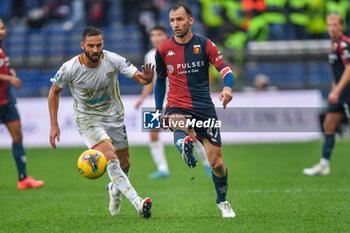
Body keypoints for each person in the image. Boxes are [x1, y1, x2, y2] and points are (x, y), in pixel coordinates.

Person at [48, 26, 153, 218]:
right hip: (88, 120)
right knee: (111, 158)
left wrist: (146, 79)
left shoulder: (113, 59)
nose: (95, 50)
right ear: (82, 46)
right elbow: (54, 91)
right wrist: (54, 124)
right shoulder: (70, 67)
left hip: (114, 117)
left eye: (99, 45)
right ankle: (138, 203)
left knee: (125, 163)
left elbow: (140, 77)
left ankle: (114, 190)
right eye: (90, 46)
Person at [154, 3, 236, 218]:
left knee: (217, 164)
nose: (175, 24)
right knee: (176, 120)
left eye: (180, 19)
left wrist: (227, 87)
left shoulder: (205, 44)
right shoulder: (163, 50)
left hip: (204, 108)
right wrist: (157, 110)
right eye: (172, 20)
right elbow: (160, 82)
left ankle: (222, 201)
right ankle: (183, 144)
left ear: (191, 20)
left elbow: (226, 70)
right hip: (176, 103)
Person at [135, 25, 212, 179]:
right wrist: (143, 97)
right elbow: (151, 80)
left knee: (192, 134)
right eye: (153, 35)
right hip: (157, 101)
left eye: (159, 34)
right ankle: (163, 169)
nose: (156, 38)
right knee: (153, 133)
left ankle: (208, 166)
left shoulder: (174, 50)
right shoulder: (149, 55)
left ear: (165, 36)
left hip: (178, 101)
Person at [0, 19, 44, 190]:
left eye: (3, 28)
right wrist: (10, 78)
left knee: (17, 137)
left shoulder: (2, 48)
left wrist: (9, 72)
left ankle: (23, 178)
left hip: (7, 100)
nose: (1, 31)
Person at [303, 14, 350, 176]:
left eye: (335, 25)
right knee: (329, 125)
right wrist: (335, 87)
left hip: (347, 93)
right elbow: (340, 71)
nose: (332, 28)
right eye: (329, 25)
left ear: (341, 26)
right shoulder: (335, 45)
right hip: (342, 93)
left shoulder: (344, 44)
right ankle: (324, 165)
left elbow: (349, 69)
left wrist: (336, 90)